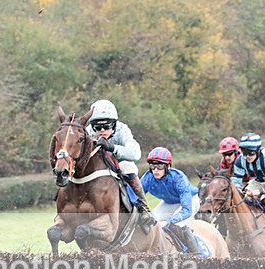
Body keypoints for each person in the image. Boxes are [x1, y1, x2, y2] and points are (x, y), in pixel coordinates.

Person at [86, 99, 154, 232]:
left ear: (114, 124)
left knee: (128, 167)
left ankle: (143, 207)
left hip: (118, 163)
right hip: (97, 167)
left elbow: (135, 153)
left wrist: (112, 147)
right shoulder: (88, 131)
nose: (102, 130)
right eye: (98, 127)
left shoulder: (122, 130)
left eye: (107, 127)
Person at [140, 147, 200, 254]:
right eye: (153, 166)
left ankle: (196, 255)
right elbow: (137, 197)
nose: (155, 170)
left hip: (190, 201)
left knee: (178, 224)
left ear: (168, 166)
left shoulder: (179, 178)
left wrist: (168, 221)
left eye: (159, 166)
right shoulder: (147, 178)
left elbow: (186, 210)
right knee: (152, 223)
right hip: (169, 203)